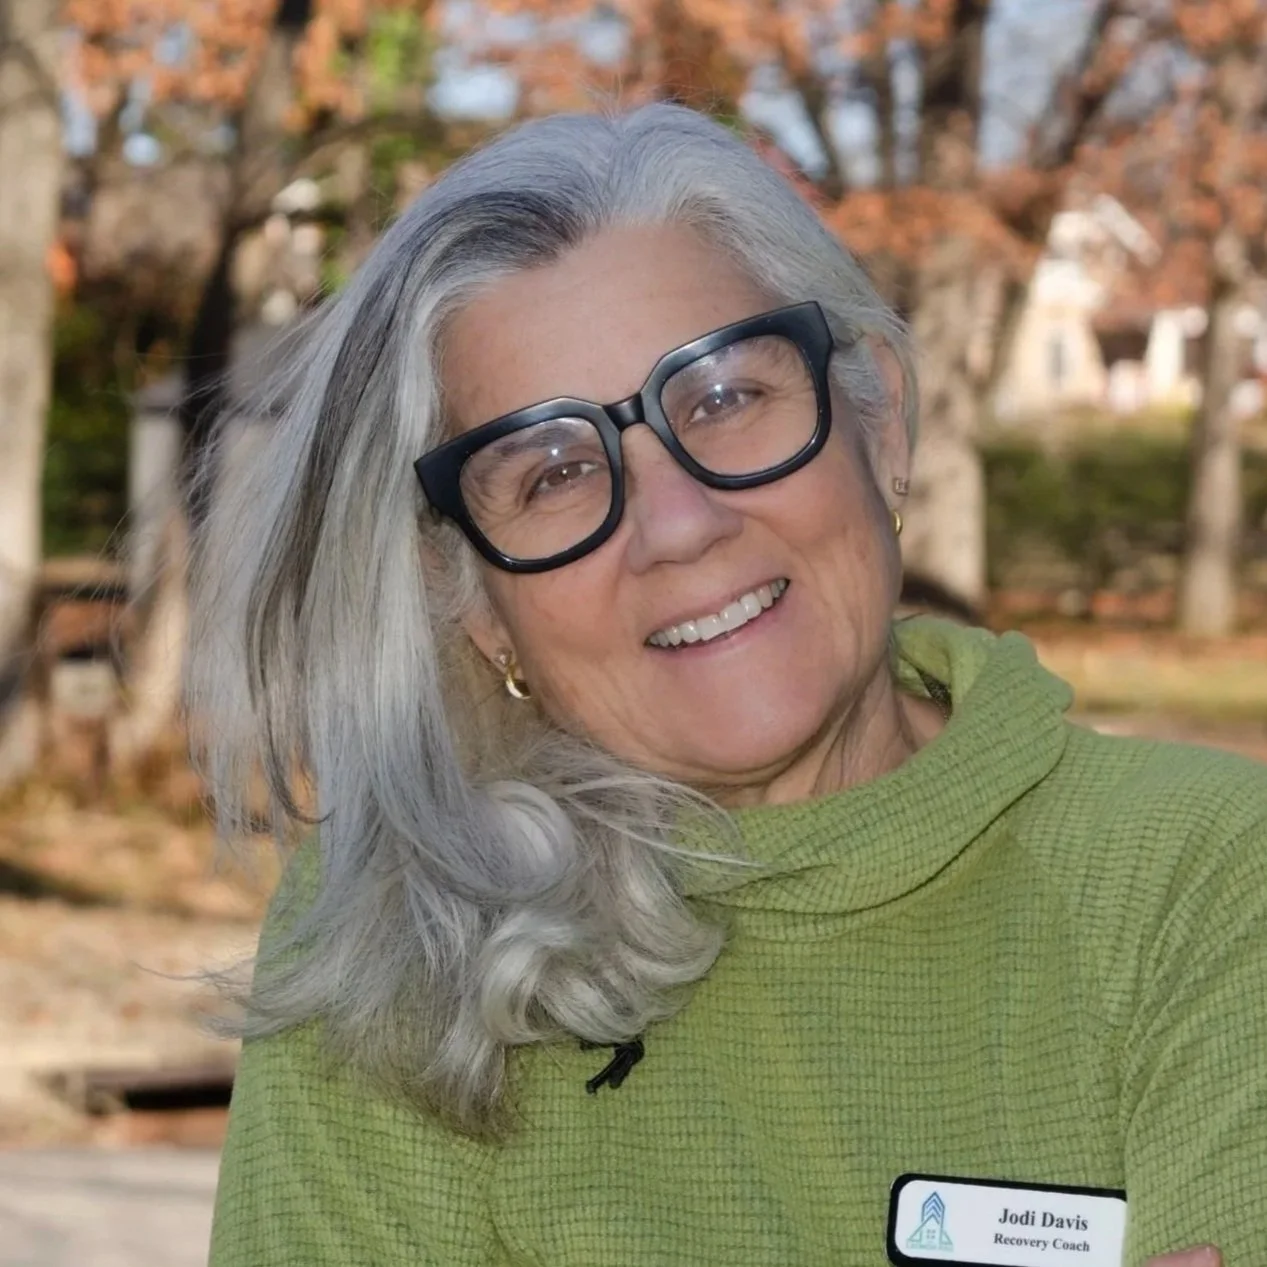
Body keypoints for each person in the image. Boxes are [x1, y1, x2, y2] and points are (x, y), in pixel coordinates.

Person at [196, 104, 1267, 1267]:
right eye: (553, 473)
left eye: (722, 399)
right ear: (469, 594)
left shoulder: (1207, 880)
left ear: (881, 426)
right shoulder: (387, 950)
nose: (678, 525)